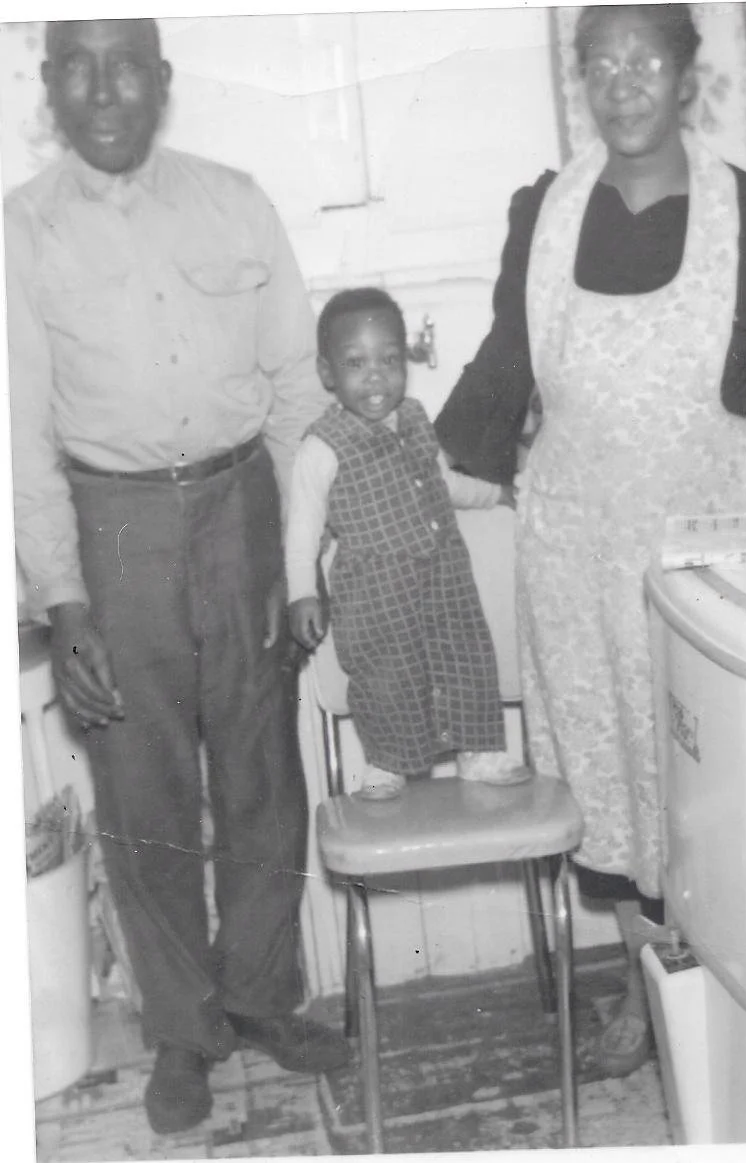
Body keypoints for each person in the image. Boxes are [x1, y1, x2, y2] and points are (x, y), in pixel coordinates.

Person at [435, 4, 746, 1078]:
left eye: (645, 60)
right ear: (580, 83)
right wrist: (401, 476)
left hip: (709, 555)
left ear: (687, 77)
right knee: (604, 784)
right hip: (572, 549)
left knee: (712, 777)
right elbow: (507, 364)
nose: (623, 82)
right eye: (600, 65)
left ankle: (731, 1013)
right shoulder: (540, 213)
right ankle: (647, 1002)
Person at [5, 18, 348, 1136]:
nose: (104, 88)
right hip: (113, 529)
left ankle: (257, 999)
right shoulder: (21, 232)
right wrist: (63, 603)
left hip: (244, 506)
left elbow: (299, 386)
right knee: (142, 797)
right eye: (78, 65)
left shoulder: (235, 199)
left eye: (125, 64)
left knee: (260, 768)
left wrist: (295, 555)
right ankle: (181, 1030)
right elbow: (23, 439)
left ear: (163, 80)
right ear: (50, 83)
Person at [286, 287, 531, 800]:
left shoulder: (418, 419)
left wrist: (496, 494)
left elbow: (446, 484)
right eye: (356, 362)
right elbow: (302, 530)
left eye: (389, 359)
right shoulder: (320, 446)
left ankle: (479, 752)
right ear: (328, 373)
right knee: (385, 675)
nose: (375, 374)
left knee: (465, 658)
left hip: (445, 578)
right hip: (375, 595)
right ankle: (386, 761)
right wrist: (301, 593)